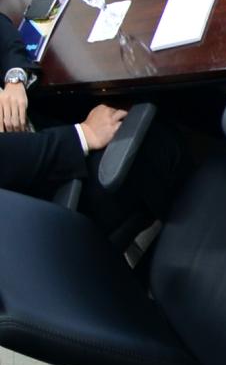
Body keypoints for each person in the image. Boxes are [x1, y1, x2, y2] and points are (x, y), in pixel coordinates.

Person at [1, 13, 188, 238]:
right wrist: (84, 134)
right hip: (46, 195)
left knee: (130, 81)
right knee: (155, 141)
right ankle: (196, 229)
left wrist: (14, 77)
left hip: (36, 123)